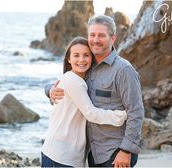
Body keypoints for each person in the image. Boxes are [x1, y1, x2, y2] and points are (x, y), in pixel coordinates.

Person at [45, 15, 144, 168]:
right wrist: (49, 90)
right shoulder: (87, 66)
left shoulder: (123, 70)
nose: (96, 40)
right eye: (92, 35)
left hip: (115, 153)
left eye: (101, 35)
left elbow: (136, 112)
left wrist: (126, 150)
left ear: (112, 38)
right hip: (92, 154)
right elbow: (67, 85)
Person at [41, 36, 127, 167]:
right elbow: (91, 113)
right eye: (76, 55)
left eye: (86, 55)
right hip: (61, 155)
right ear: (69, 60)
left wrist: (49, 90)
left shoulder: (79, 80)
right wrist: (123, 115)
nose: (81, 59)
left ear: (92, 58)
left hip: (62, 153)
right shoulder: (73, 80)